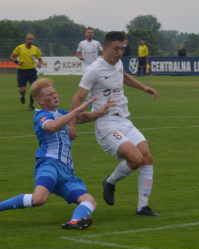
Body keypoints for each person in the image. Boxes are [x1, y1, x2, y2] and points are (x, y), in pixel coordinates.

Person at [0, 78, 115, 230]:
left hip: (66, 172)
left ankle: (75, 221)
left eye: (55, 92)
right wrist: (76, 110)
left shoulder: (60, 113)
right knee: (39, 199)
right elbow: (53, 126)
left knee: (90, 201)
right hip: (49, 164)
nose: (55, 96)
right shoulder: (41, 115)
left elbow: (81, 117)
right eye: (50, 94)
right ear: (40, 100)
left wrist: (102, 111)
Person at [69, 31, 160, 217]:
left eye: (122, 48)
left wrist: (144, 87)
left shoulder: (118, 63)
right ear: (105, 48)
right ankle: (110, 182)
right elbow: (77, 98)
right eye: (115, 49)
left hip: (123, 120)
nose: (119, 53)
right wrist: (72, 125)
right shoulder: (94, 70)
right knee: (135, 159)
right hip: (105, 124)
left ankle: (143, 207)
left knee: (147, 157)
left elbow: (123, 75)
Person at [10, 34, 42, 110]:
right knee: (23, 89)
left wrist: (39, 64)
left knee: (34, 89)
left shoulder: (35, 49)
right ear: (25, 40)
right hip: (22, 71)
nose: (30, 41)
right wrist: (17, 62)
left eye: (31, 39)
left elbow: (40, 59)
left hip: (32, 71)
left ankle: (31, 106)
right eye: (29, 39)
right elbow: (12, 56)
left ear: (33, 40)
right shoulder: (19, 48)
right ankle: (22, 94)